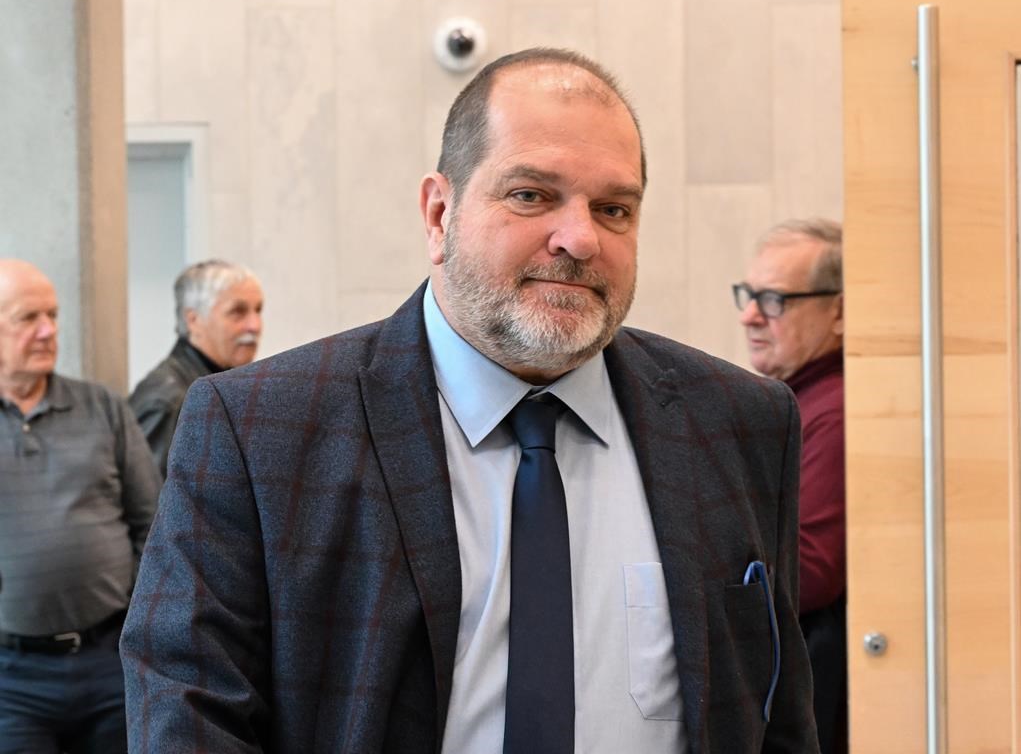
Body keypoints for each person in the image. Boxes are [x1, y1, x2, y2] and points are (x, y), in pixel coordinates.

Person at [121, 48, 819, 753]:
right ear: (438, 213)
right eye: (531, 195)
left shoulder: (740, 423)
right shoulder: (259, 430)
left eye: (613, 209)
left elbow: (777, 715)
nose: (579, 238)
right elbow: (189, 718)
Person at [0, 259, 159, 753]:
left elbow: (154, 523)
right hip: (11, 679)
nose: (48, 330)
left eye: (52, 315)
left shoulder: (103, 407)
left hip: (109, 658)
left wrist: (136, 620)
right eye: (28, 318)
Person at [733, 218, 846, 754]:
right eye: (749, 294)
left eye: (775, 299)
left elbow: (812, 573)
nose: (750, 315)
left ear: (840, 311)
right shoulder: (795, 401)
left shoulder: (836, 411)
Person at [129, 260, 263, 478]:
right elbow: (152, 494)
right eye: (237, 312)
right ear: (193, 320)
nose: (255, 325)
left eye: (258, 310)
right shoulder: (168, 400)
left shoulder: (219, 386)